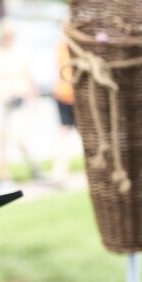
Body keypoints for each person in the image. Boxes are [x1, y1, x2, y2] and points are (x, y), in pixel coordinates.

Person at [0, 19, 42, 189]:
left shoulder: (22, 52)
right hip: (1, 100)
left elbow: (29, 77)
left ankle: (34, 166)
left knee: (19, 136)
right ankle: (4, 174)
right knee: (1, 138)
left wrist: (33, 99)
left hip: (19, 100)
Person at [50, 38, 79, 184]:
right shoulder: (64, 46)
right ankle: (60, 171)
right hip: (68, 94)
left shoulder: (62, 45)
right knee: (65, 133)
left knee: (66, 133)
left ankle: (60, 171)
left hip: (69, 93)